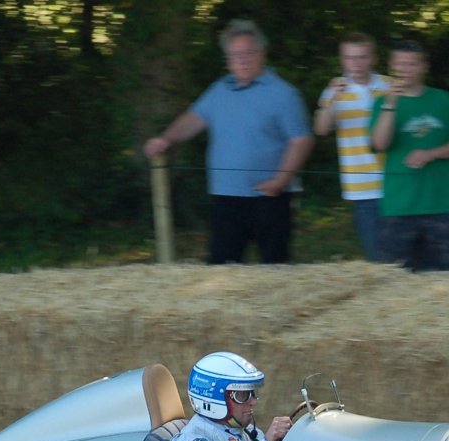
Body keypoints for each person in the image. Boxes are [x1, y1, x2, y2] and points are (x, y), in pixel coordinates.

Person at [143, 20, 314, 264]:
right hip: (226, 196)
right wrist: (166, 139)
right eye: (234, 55)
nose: (241, 60)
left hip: (271, 197)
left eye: (248, 53)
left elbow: (301, 140)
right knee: (222, 267)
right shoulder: (218, 91)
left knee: (276, 269)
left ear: (262, 54)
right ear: (227, 59)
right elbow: (193, 119)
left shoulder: (284, 93)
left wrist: (281, 180)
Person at [370, 40, 449, 272]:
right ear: (391, 67)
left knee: (447, 276)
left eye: (411, 64)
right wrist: (390, 105)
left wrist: (432, 153)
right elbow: (379, 144)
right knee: (393, 279)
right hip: (400, 205)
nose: (405, 69)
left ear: (424, 67)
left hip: (442, 203)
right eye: (400, 64)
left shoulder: (443, 100)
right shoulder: (382, 103)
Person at [313, 32, 391, 262]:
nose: (355, 64)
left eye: (362, 57)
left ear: (373, 58)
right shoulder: (335, 90)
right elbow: (321, 129)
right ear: (342, 60)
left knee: (405, 253)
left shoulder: (389, 85)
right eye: (349, 58)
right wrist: (333, 101)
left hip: (395, 181)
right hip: (361, 186)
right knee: (377, 257)